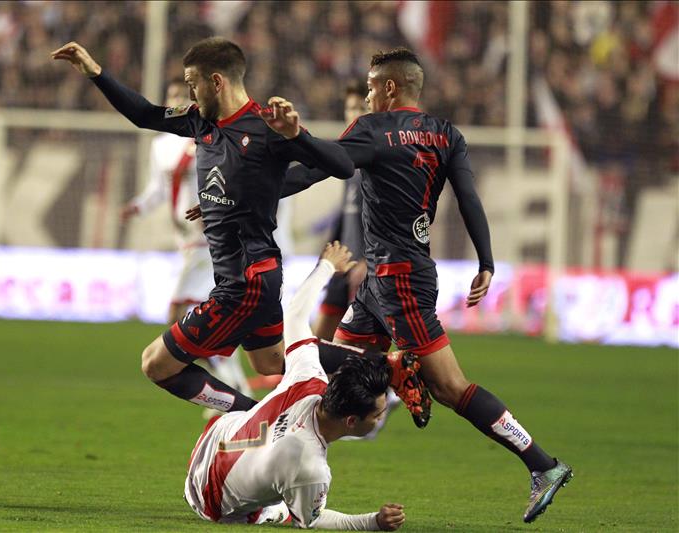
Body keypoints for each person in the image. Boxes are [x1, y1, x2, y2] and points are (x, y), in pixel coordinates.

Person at [282, 48, 572, 523]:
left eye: (373, 86)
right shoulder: (445, 134)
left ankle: (543, 464)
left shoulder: (372, 130)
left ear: (390, 88)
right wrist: (486, 260)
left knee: (451, 388)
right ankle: (297, 478)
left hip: (398, 282)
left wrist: (265, 181)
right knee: (338, 378)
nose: (369, 94)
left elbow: (321, 167)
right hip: (391, 277)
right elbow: (469, 197)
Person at [52, 38, 353, 415]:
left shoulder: (267, 127)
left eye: (192, 83)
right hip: (250, 276)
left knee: (156, 364)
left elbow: (341, 166)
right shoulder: (199, 120)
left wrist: (297, 136)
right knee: (270, 363)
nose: (190, 91)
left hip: (245, 280)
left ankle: (252, 418)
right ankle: (384, 367)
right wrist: (95, 72)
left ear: (217, 81)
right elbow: (145, 114)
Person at [184, 241, 406, 530]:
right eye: (378, 415)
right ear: (351, 421)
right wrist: (373, 522)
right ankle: (268, 509)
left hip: (210, 440)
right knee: (283, 507)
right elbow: (312, 520)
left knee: (269, 454)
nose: (380, 419)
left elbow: (296, 315)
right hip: (208, 502)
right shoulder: (310, 466)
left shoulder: (310, 378)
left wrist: (326, 265)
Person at [119, 77, 251, 400]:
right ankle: (234, 389)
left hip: (207, 239)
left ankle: (230, 397)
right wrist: (138, 206)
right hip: (185, 240)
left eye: (183, 94)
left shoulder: (204, 136)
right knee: (202, 323)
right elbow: (158, 190)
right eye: (172, 94)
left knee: (179, 317)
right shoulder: (159, 146)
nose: (177, 99)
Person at [313, 82, 369, 341]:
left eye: (361, 107)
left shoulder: (377, 157)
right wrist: (328, 251)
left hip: (365, 270)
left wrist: (369, 262)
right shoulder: (349, 158)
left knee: (359, 351)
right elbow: (348, 212)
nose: (354, 114)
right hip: (343, 263)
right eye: (350, 108)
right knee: (317, 342)